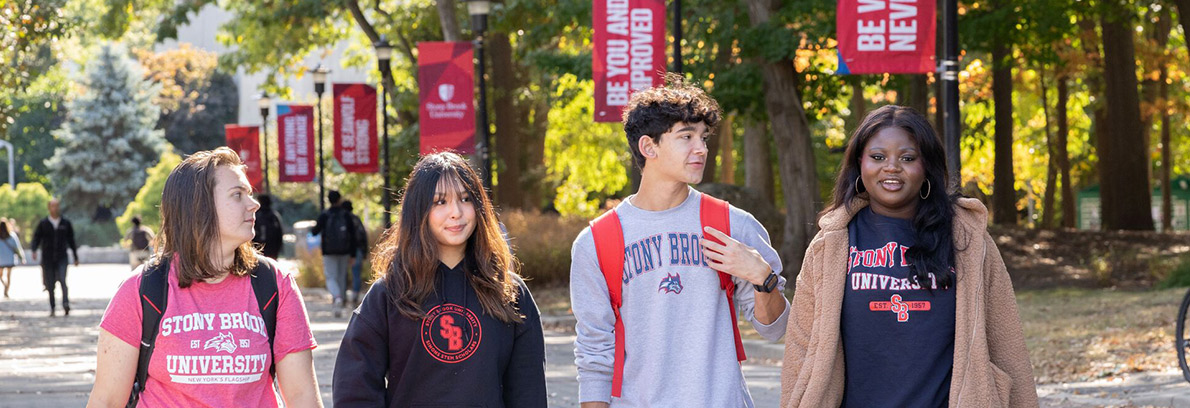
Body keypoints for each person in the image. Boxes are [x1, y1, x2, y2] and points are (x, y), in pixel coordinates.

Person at [780, 105, 1038, 407]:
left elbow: (1007, 346)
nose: (891, 167)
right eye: (878, 157)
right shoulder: (831, 243)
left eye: (907, 158)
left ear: (926, 166)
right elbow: (801, 347)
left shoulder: (967, 239)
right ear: (859, 164)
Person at [570, 76, 790, 407]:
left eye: (703, 137)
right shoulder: (597, 242)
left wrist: (762, 277)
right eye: (686, 137)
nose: (701, 148)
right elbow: (594, 352)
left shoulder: (733, 224)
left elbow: (776, 329)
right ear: (648, 147)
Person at [85, 147, 322, 407]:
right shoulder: (142, 289)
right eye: (237, 195)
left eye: (249, 194)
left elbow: (303, 398)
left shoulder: (274, 284)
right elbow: (107, 401)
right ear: (199, 208)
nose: (253, 204)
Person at [333, 152, 546, 407]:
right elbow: (355, 390)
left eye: (466, 199)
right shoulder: (390, 293)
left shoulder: (509, 292)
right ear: (418, 210)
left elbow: (528, 392)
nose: (456, 212)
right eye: (440, 202)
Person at [311, 189, 357, 317]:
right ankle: (340, 304)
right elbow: (353, 236)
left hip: (328, 251)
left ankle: (336, 297)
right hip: (345, 251)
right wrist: (353, 255)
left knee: (331, 276)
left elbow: (314, 231)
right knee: (342, 277)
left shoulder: (325, 215)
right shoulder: (346, 215)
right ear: (339, 199)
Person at [31, 198, 78, 316]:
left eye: (57, 206)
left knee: (63, 280)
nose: (55, 208)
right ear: (49, 208)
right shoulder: (43, 223)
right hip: (47, 258)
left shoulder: (65, 223)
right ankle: (52, 307)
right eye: (52, 206)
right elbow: (36, 238)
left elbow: (71, 240)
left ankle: (65, 304)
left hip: (62, 257)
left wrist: (75, 256)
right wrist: (34, 249)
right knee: (50, 283)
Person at [341, 200, 368, 306]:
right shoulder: (356, 219)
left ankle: (342, 297)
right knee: (356, 274)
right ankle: (355, 297)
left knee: (342, 274)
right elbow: (363, 235)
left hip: (342, 251)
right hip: (357, 250)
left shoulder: (341, 219)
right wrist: (364, 251)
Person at [0, 219, 26, 298]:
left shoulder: (11, 235)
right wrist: (22, 257)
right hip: (9, 259)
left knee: (1, 276)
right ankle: (6, 290)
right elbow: (17, 248)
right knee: (8, 276)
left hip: (1, 260)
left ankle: (5, 286)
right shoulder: (12, 235)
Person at [253, 194, 284, 259]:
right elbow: (279, 234)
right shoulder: (274, 216)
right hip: (273, 250)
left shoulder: (255, 216)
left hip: (258, 251)